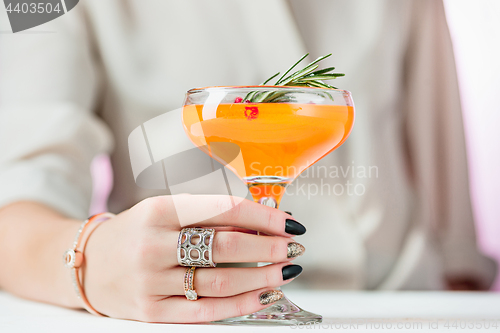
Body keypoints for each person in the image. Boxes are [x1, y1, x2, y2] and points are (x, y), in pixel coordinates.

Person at [0, 0, 496, 323]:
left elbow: (442, 165)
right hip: (197, 319)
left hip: (407, 312)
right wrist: (92, 259)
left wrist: (460, 283)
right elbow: (15, 205)